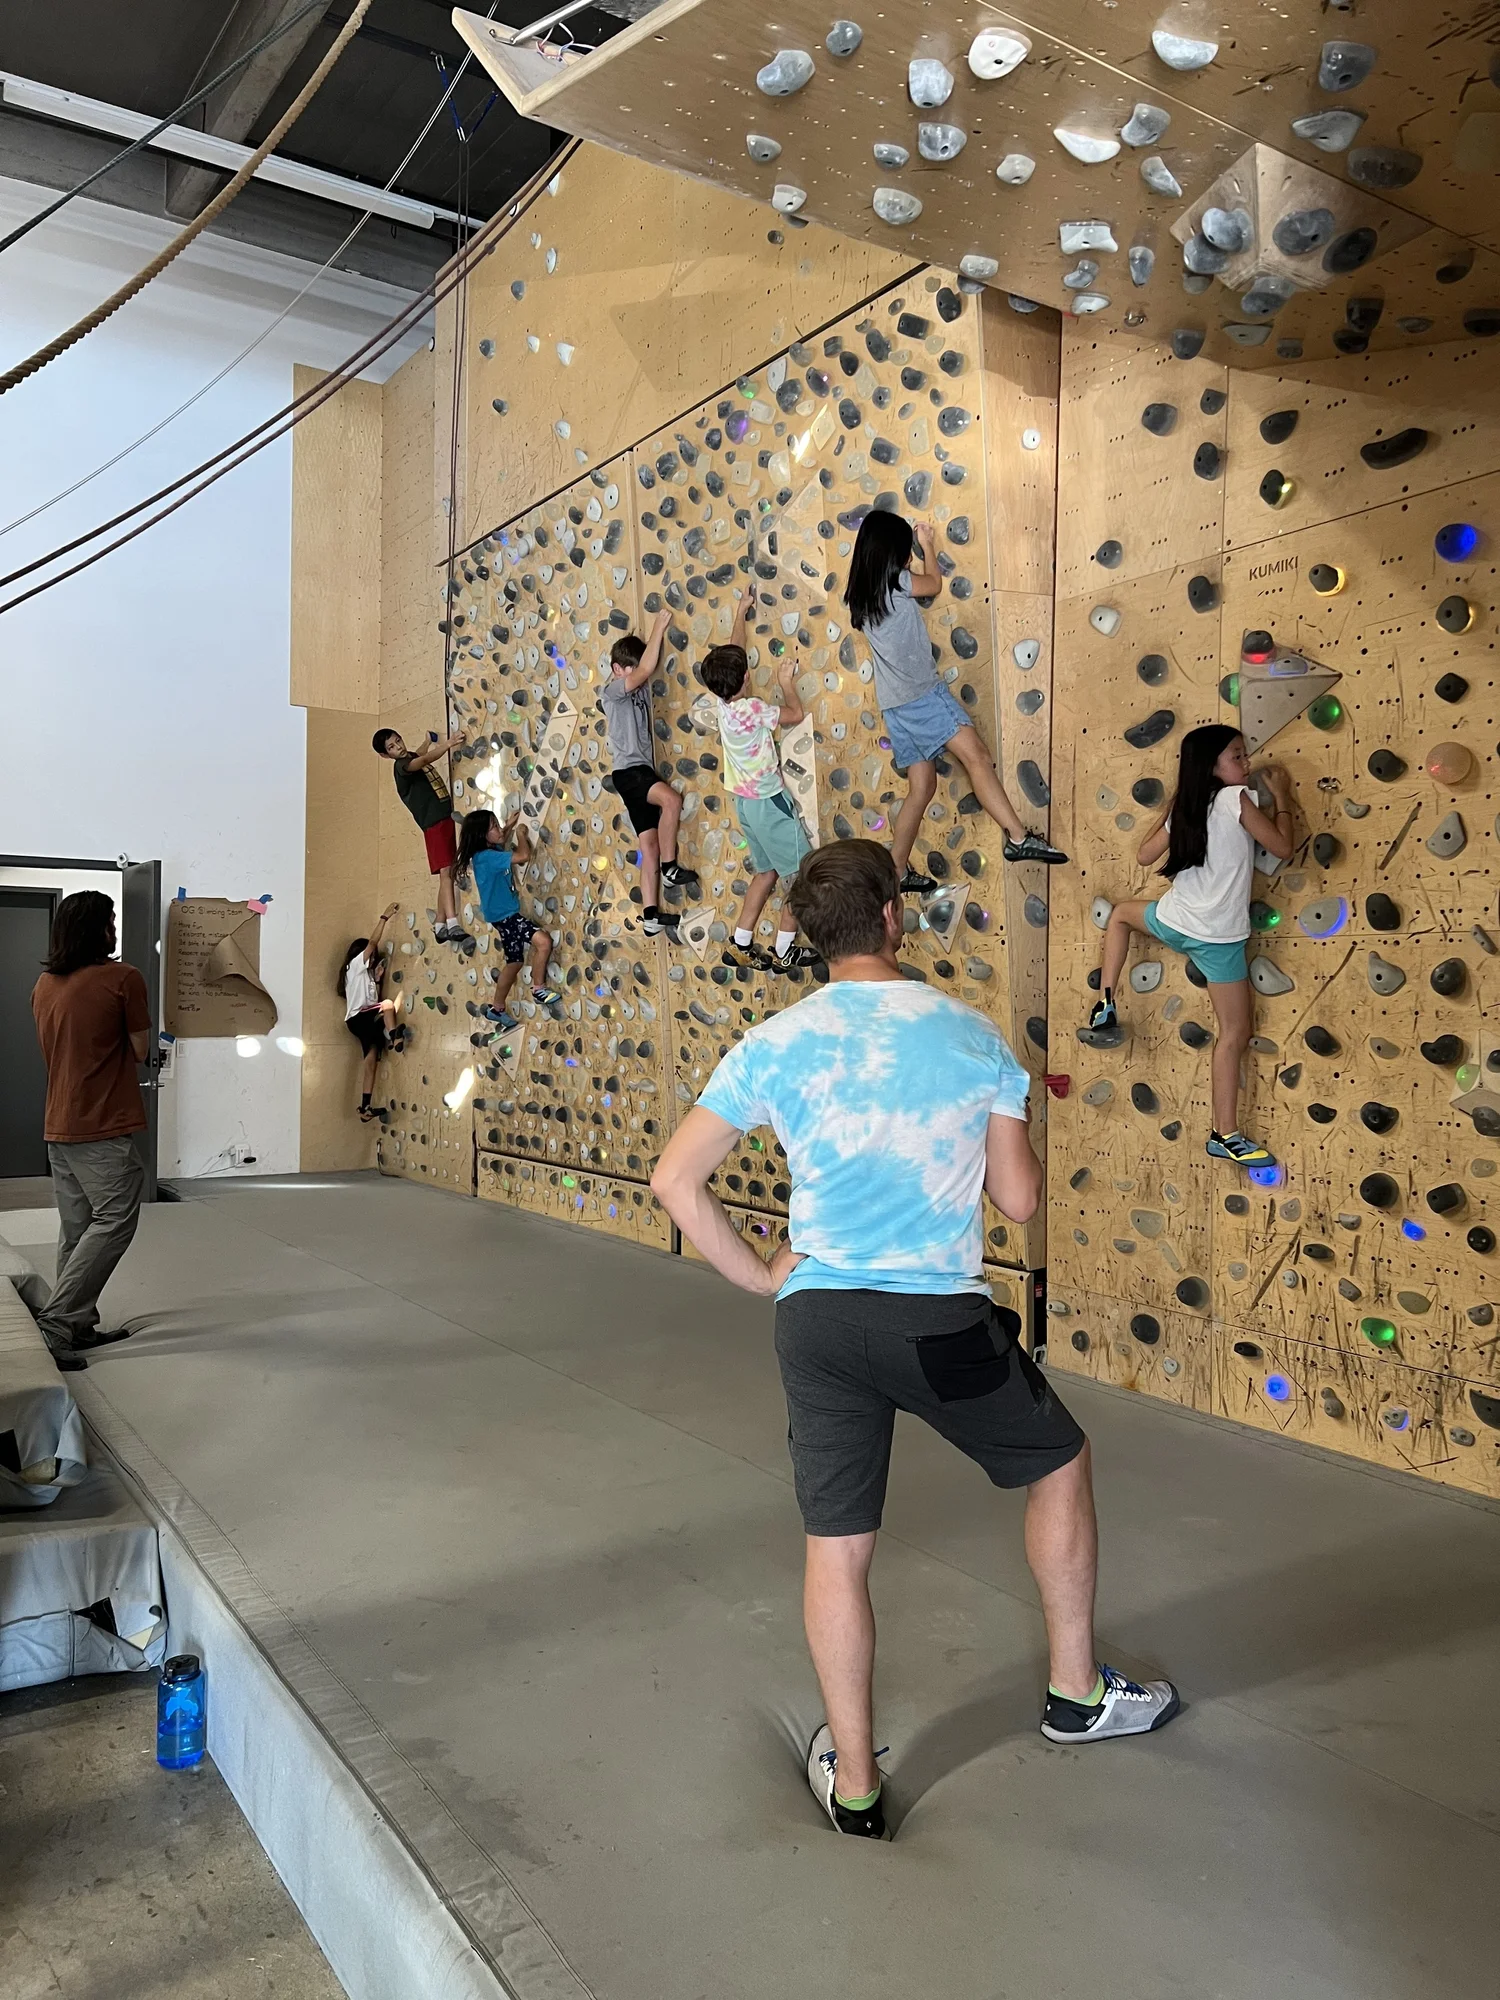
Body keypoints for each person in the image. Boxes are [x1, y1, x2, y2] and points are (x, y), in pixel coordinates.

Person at [651, 840, 1177, 1840]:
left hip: (816, 1321)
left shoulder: (772, 1040)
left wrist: (766, 1273)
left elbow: (675, 1182)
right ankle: (1075, 1693)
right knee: (1060, 1464)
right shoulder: (971, 1037)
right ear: (893, 915)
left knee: (837, 1548)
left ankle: (855, 1785)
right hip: (935, 1319)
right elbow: (1019, 1201)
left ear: (811, 936)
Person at [1082, 723, 1295, 1166]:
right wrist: (1284, 797)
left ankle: (1105, 1001)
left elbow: (1143, 855)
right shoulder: (1238, 799)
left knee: (1120, 914)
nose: (1247, 763)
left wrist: (1172, 810)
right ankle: (1225, 1134)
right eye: (1237, 756)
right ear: (1212, 766)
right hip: (1218, 941)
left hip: (1175, 921)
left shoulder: (1190, 806)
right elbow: (1282, 847)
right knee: (1235, 1034)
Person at [844, 509, 1066, 891]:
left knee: (922, 787)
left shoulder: (861, 598)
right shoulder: (896, 581)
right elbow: (932, 584)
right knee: (976, 755)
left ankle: (896, 870)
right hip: (921, 697)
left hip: (895, 706)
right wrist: (928, 545)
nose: (906, 557)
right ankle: (1017, 837)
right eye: (903, 551)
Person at [30, 891, 151, 1372]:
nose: (115, 929)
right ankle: (58, 1324)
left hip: (59, 1122)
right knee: (116, 1218)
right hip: (102, 1122)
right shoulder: (123, 978)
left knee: (78, 1228)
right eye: (111, 921)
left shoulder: (44, 985)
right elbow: (141, 1049)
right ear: (97, 929)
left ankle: (77, 1325)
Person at [696, 592, 821, 975]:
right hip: (769, 804)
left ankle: (741, 943)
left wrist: (739, 612)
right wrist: (786, 681)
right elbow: (795, 713)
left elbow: (734, 649)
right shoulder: (753, 709)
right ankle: (785, 950)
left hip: (745, 806)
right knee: (801, 878)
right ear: (747, 677)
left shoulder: (722, 703)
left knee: (765, 872)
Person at [600, 607, 700, 941]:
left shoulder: (638, 691)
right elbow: (644, 669)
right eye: (626, 668)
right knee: (671, 801)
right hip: (629, 772)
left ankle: (650, 915)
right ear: (617, 669)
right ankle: (670, 870)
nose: (634, 674)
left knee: (649, 844)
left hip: (638, 772)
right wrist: (659, 625)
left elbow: (644, 671)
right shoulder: (612, 691)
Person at [455, 807, 558, 1031]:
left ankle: (497, 1008)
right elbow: (523, 856)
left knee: (515, 962)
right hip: (507, 916)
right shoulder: (488, 858)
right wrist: (521, 833)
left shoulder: (485, 853)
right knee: (544, 942)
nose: (498, 828)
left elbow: (499, 836)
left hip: (500, 916)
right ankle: (539, 989)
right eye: (493, 826)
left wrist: (508, 825)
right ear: (483, 835)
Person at [372, 725, 472, 945]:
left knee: (446, 872)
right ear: (384, 755)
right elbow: (423, 761)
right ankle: (453, 923)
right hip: (434, 823)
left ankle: (439, 924)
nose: (398, 746)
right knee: (447, 872)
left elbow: (419, 754)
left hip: (443, 818)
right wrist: (448, 743)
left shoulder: (409, 757)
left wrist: (427, 741)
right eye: (391, 747)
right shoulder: (401, 766)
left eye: (398, 740)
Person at [339, 903, 409, 1123]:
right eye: (370, 956)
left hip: (363, 1020)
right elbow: (372, 942)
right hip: (360, 1017)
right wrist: (384, 917)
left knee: (371, 1062)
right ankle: (394, 1035)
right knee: (388, 1004)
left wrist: (377, 980)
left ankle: (365, 1107)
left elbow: (373, 1003)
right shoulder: (354, 966)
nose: (372, 958)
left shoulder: (367, 976)